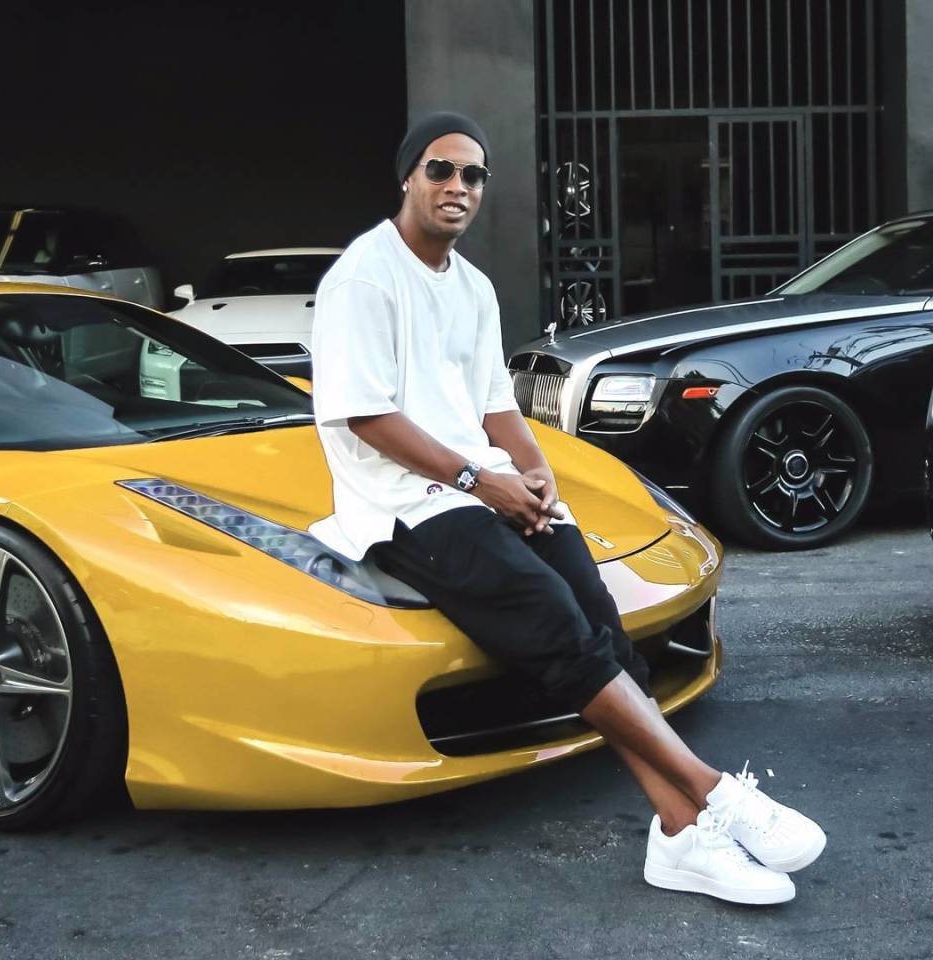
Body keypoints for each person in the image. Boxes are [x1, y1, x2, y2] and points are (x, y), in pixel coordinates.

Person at [309, 111, 825, 905]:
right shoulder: (363, 277)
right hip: (401, 504)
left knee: (598, 616)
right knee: (552, 618)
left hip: (482, 484)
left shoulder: (473, 286)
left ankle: (679, 836)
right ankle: (716, 793)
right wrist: (483, 483)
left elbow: (492, 404)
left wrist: (536, 469)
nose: (457, 187)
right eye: (441, 171)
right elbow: (366, 416)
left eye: (473, 175)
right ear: (408, 177)